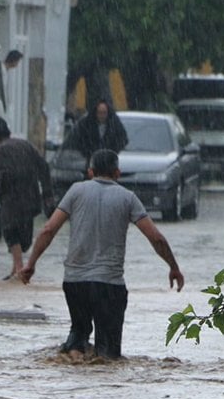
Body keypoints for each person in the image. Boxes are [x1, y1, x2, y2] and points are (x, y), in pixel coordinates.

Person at [20, 149, 184, 359]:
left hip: (75, 282)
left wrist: (31, 264)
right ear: (117, 173)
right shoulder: (128, 198)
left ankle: (74, 356)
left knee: (78, 333)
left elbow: (48, 230)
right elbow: (156, 238)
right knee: (108, 354)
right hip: (109, 285)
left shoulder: (75, 191)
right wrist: (173, 267)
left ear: (90, 172)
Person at [0, 117, 54, 281]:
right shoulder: (26, 145)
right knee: (23, 234)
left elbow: (5, 174)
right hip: (31, 197)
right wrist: (47, 193)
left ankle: (18, 269)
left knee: (10, 232)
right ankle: (16, 267)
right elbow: (43, 166)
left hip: (11, 198)